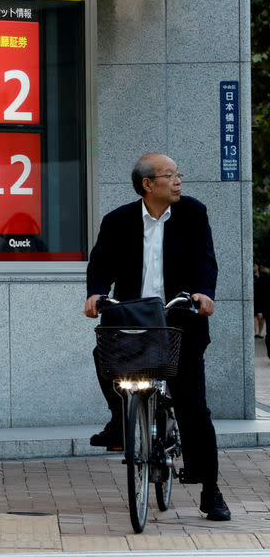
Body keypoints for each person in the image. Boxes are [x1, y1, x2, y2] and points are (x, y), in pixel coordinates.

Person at [83, 153, 230, 521]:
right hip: (133, 318)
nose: (178, 181)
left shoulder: (193, 213)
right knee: (103, 357)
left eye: (179, 174)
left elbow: (205, 260)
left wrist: (203, 291)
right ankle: (121, 419)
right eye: (170, 175)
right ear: (148, 184)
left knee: (191, 402)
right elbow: (99, 264)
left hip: (180, 320)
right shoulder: (118, 221)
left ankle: (210, 490)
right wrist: (95, 292)